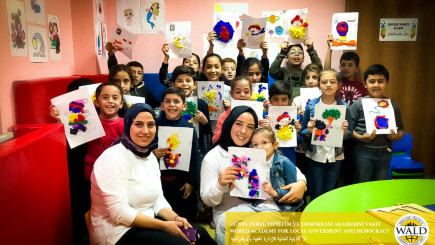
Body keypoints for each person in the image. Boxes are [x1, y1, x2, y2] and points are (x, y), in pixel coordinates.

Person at [90, 103, 216, 245]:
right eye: (138, 124)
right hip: (117, 232)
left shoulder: (149, 156)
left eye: (150, 125)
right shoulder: (113, 158)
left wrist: (175, 218)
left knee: (200, 236)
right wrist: (164, 225)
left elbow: (157, 199)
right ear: (127, 125)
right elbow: (120, 214)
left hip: (147, 222)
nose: (145, 131)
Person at [201, 106, 307, 236]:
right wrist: (220, 184)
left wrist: (301, 183)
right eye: (238, 124)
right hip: (231, 212)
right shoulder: (213, 157)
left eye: (250, 127)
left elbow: (289, 169)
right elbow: (207, 201)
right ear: (229, 124)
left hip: (268, 209)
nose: (244, 131)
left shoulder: (257, 149)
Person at [215, 128, 304, 244]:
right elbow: (249, 195)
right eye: (255, 144)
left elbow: (294, 195)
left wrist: (275, 193)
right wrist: (238, 189)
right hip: (255, 205)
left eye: (264, 143)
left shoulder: (284, 163)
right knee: (223, 219)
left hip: (277, 210)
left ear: (275, 145)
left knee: (244, 228)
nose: (259, 147)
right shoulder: (251, 164)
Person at [49, 78, 94, 245]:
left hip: (95, 165)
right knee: (79, 200)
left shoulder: (100, 112)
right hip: (76, 166)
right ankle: (82, 233)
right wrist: (58, 120)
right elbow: (66, 141)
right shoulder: (72, 111)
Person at [300, 69, 353, 200]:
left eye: (332, 82)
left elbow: (351, 132)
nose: (328, 85)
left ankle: (326, 217)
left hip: (336, 155)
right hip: (316, 154)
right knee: (316, 190)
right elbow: (302, 130)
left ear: (338, 85)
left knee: (330, 191)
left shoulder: (344, 107)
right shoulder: (311, 105)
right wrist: (309, 131)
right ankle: (313, 218)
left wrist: (345, 132)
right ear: (319, 85)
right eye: (324, 82)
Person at [324, 35, 369, 186]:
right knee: (333, 166)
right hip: (333, 128)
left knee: (350, 167)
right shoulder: (336, 81)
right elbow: (327, 70)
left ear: (356, 68)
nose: (346, 68)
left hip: (352, 131)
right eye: (343, 64)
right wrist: (330, 48)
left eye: (350, 65)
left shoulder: (361, 86)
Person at [152, 87, 200, 222]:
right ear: (162, 106)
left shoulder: (189, 128)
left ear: (184, 106)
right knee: (160, 215)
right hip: (158, 182)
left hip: (181, 182)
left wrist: (192, 182)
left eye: (176, 101)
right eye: (167, 101)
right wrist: (153, 154)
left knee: (179, 215)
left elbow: (195, 158)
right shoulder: (155, 126)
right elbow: (144, 151)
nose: (172, 105)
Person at [351, 64, 404, 183]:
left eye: (380, 81)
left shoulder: (393, 105)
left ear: (386, 83)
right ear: (365, 84)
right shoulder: (358, 104)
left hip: (385, 153)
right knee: (362, 186)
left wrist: (394, 137)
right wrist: (361, 137)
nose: (376, 85)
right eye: (372, 81)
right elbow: (349, 129)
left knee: (379, 187)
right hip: (363, 152)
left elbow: (401, 131)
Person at [212, 76, 270, 144]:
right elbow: (214, 140)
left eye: (246, 92)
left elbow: (265, 140)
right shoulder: (224, 116)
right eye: (237, 92)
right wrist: (227, 126)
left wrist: (268, 128)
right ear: (231, 94)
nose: (242, 95)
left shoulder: (258, 114)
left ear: (251, 93)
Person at [106, 43, 160, 109]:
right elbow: (114, 70)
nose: (135, 76)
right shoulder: (121, 90)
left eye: (139, 73)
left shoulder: (145, 91)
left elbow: (156, 105)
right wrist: (111, 53)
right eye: (133, 72)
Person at [263, 80, 302, 167]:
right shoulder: (264, 117)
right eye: (275, 99)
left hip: (288, 157)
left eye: (284, 99)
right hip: (268, 159)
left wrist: (297, 132)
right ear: (270, 100)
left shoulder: (295, 117)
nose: (280, 103)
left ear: (290, 100)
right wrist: (267, 129)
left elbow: (298, 141)